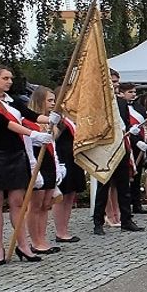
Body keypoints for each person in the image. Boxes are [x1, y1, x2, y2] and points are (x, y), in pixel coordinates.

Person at [0, 65, 60, 263]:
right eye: (5, 78)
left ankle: (23, 245)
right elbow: (5, 123)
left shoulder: (12, 100)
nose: (10, 82)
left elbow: (29, 115)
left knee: (18, 203)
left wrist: (50, 119)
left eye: (11, 78)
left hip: (16, 154)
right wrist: (33, 134)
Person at [93, 77, 143, 236]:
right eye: (112, 82)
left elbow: (126, 125)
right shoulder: (99, 103)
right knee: (103, 187)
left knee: (124, 186)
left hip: (122, 147)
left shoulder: (121, 103)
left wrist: (132, 132)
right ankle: (98, 222)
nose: (115, 85)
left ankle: (126, 220)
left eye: (116, 82)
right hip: (106, 149)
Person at [24, 86, 63, 254]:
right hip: (36, 163)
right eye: (49, 100)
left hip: (49, 163)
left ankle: (42, 237)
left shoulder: (50, 123)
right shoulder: (28, 121)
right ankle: (35, 241)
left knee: (47, 204)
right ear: (39, 101)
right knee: (36, 204)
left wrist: (58, 166)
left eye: (54, 100)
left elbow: (53, 145)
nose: (53, 103)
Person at [51, 87, 86, 244]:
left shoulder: (73, 117)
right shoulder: (56, 117)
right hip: (62, 156)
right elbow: (54, 136)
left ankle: (65, 228)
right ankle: (60, 231)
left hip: (74, 157)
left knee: (71, 194)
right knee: (62, 195)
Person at [120, 83, 147, 216]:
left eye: (134, 92)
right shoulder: (119, 106)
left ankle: (136, 203)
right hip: (127, 143)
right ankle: (125, 207)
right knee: (126, 177)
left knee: (137, 175)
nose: (133, 94)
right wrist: (135, 141)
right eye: (130, 92)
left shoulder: (138, 107)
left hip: (140, 143)